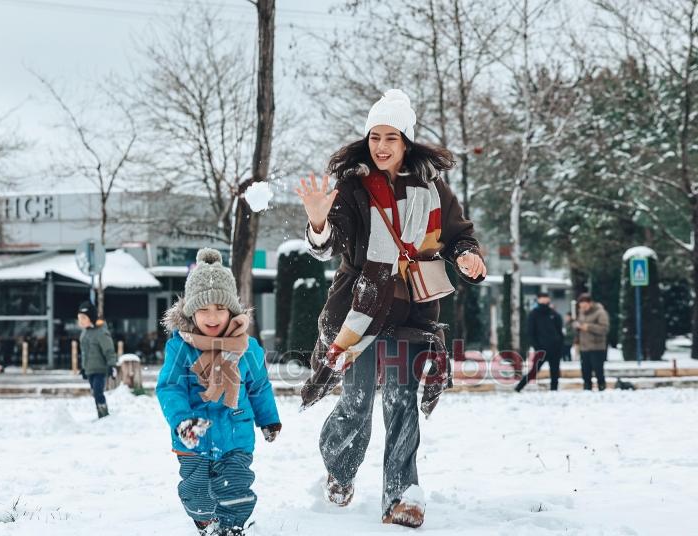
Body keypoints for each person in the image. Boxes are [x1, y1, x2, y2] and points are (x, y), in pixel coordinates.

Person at [294, 89, 487, 528]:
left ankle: (402, 496)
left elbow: (458, 235)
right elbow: (330, 244)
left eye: (391, 137)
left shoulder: (433, 189)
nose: (381, 146)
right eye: (375, 136)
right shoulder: (354, 187)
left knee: (401, 403)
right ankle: (340, 471)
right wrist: (319, 222)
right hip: (358, 311)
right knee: (357, 404)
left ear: (406, 142)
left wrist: (467, 256)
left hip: (411, 314)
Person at [157, 248, 281, 536]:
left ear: (232, 311)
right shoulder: (180, 347)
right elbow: (170, 387)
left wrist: (268, 419)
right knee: (196, 494)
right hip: (193, 434)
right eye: (203, 309)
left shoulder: (247, 347)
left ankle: (231, 527)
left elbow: (259, 387)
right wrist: (182, 421)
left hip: (236, 433)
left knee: (236, 488)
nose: (212, 317)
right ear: (191, 311)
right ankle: (204, 521)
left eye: (220, 309)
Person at [515, 292, 563, 392]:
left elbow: (559, 331)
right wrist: (537, 346)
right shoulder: (534, 314)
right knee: (534, 371)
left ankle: (554, 390)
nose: (544, 300)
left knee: (555, 371)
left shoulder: (554, 314)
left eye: (546, 297)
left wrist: (559, 344)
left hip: (555, 348)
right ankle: (519, 387)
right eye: (542, 298)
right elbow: (530, 332)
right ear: (538, 299)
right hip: (541, 349)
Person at [77, 301, 117, 418]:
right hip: (90, 369)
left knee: (98, 392)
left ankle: (104, 414)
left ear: (91, 318)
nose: (81, 321)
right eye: (79, 318)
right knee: (94, 392)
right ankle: (100, 412)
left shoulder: (101, 332)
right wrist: (83, 368)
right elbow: (84, 353)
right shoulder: (84, 334)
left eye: (83, 318)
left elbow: (109, 350)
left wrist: (112, 365)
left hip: (100, 369)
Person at [574, 293, 610, 391]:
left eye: (585, 305)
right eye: (581, 306)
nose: (583, 308)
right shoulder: (581, 313)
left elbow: (604, 329)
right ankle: (587, 388)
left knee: (598, 370)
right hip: (584, 347)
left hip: (597, 347)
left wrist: (589, 327)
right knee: (585, 371)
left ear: (590, 303)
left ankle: (601, 387)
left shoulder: (600, 313)